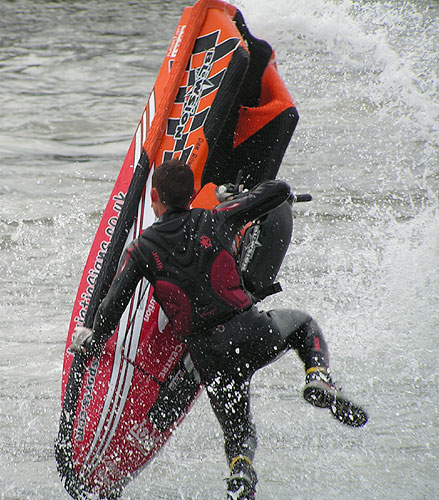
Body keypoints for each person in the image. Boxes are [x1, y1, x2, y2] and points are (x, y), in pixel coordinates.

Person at [71, 159, 368, 500]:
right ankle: (317, 377)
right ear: (195, 195)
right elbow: (278, 191)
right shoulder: (216, 217)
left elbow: (112, 308)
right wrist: (231, 198)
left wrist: (92, 341)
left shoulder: (142, 249)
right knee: (303, 326)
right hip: (250, 332)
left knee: (238, 429)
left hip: (208, 357)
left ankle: (241, 471)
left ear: (154, 196)